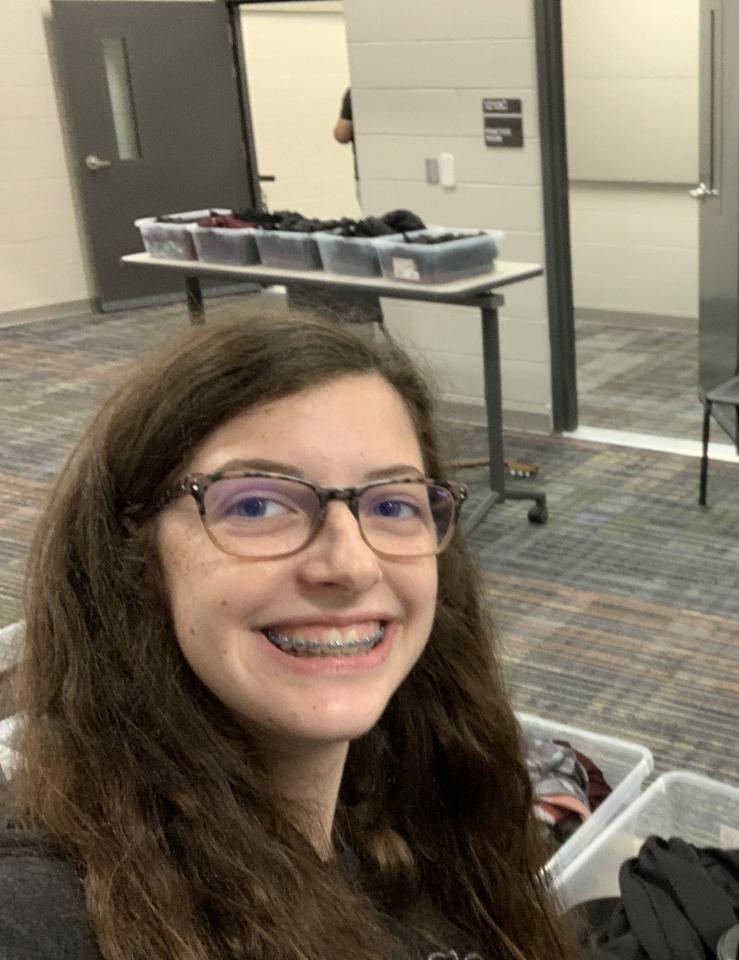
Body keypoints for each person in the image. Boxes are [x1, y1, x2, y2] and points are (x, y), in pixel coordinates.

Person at [2, 314, 574, 960]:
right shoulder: (41, 917)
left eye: (393, 505)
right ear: (132, 557)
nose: (352, 565)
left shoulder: (422, 792)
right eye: (256, 505)